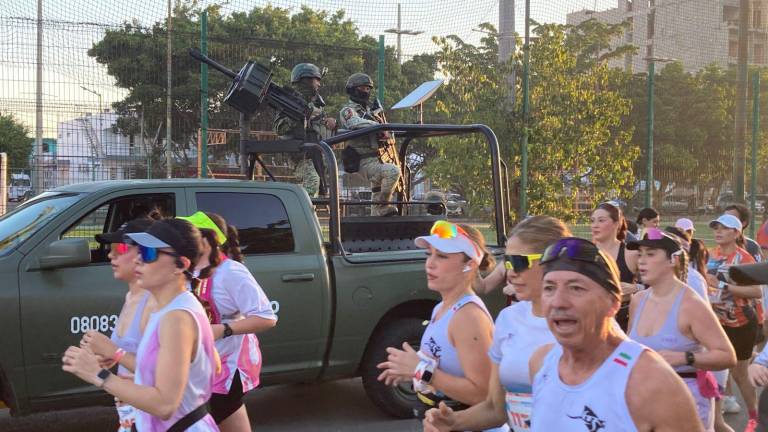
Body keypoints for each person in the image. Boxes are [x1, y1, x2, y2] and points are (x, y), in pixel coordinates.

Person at [529, 237, 702, 431]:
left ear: (613, 303)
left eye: (576, 288)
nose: (558, 302)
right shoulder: (541, 363)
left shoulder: (651, 381)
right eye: (549, 288)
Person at [62, 219, 219, 431]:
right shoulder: (169, 308)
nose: (138, 260)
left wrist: (98, 374)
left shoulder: (177, 317)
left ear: (180, 265)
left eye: (148, 253)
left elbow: (165, 405)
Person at [422, 216, 570, 432]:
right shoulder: (509, 318)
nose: (510, 273)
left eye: (520, 262)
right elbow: (494, 408)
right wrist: (452, 422)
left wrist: (421, 371)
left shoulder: (583, 323)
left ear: (554, 259)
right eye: (507, 262)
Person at [377, 220, 507, 432]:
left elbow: (484, 395)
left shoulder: (468, 317)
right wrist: (411, 367)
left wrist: (419, 370)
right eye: (430, 254)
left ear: (470, 264)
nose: (430, 263)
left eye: (442, 256)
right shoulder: (442, 307)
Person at [627, 228, 736, 430]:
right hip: (647, 397)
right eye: (640, 254)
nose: (641, 261)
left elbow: (727, 356)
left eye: (650, 255)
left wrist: (685, 358)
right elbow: (629, 350)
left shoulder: (690, 304)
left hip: (687, 400)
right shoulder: (638, 300)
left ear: (672, 260)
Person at [178, 211, 278, 432]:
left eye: (191, 234)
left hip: (227, 366)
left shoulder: (231, 272)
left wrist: (222, 329)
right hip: (197, 364)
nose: (184, 241)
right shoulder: (186, 270)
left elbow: (266, 317)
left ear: (209, 238)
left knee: (222, 412)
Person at [80, 217, 159, 432]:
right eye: (110, 248)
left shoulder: (153, 303)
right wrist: (102, 358)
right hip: (130, 415)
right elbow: (129, 355)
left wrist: (113, 352)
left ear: (145, 253)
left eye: (120, 248)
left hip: (152, 417)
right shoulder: (131, 296)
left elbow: (160, 372)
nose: (110, 255)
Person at [707, 214, 762, 430]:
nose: (718, 231)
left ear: (736, 233)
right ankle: (716, 417)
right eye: (716, 228)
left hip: (740, 323)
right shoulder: (709, 254)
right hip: (715, 322)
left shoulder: (745, 258)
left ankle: (754, 416)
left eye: (724, 228)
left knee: (740, 374)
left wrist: (723, 286)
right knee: (716, 370)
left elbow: (756, 291)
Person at [338, 73, 401, 216]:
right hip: (363, 160)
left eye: (368, 89)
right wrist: (378, 127)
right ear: (353, 89)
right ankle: (383, 206)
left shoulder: (372, 112)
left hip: (378, 157)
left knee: (378, 189)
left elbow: (388, 132)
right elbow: (354, 123)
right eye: (362, 88)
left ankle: (376, 217)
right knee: (393, 171)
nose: (365, 91)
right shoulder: (348, 110)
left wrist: (384, 130)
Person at [273, 62, 336, 198]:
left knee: (321, 190)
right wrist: (299, 116)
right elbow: (279, 129)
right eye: (316, 80)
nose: (319, 84)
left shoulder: (315, 105)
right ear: (305, 80)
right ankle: (298, 211)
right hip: (298, 153)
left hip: (315, 152)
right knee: (312, 182)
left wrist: (330, 123)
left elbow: (322, 125)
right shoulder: (289, 101)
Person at [590, 202, 639, 330]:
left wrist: (636, 287)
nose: (595, 225)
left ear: (616, 224)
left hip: (624, 321)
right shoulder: (585, 253)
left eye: (601, 221)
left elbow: (656, 285)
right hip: (592, 320)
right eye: (592, 221)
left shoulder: (631, 254)